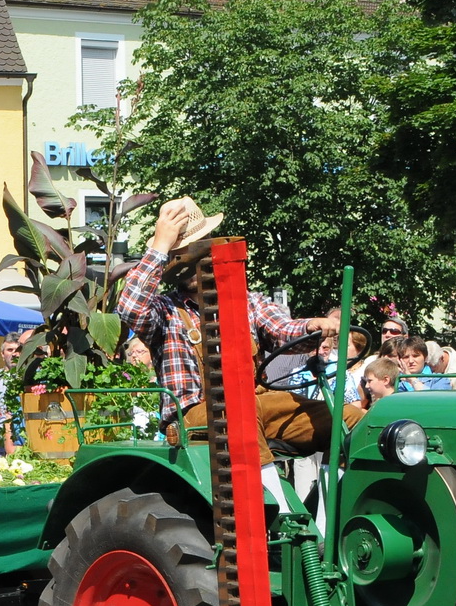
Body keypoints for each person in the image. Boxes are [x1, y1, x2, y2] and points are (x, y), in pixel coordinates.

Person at [116, 198, 355, 497]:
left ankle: (326, 520)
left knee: (351, 421)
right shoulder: (164, 311)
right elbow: (130, 308)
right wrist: (160, 245)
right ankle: (277, 511)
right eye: (181, 254)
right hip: (194, 415)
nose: (191, 262)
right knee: (240, 413)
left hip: (257, 404)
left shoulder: (248, 302)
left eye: (197, 251)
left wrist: (311, 327)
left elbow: (283, 330)